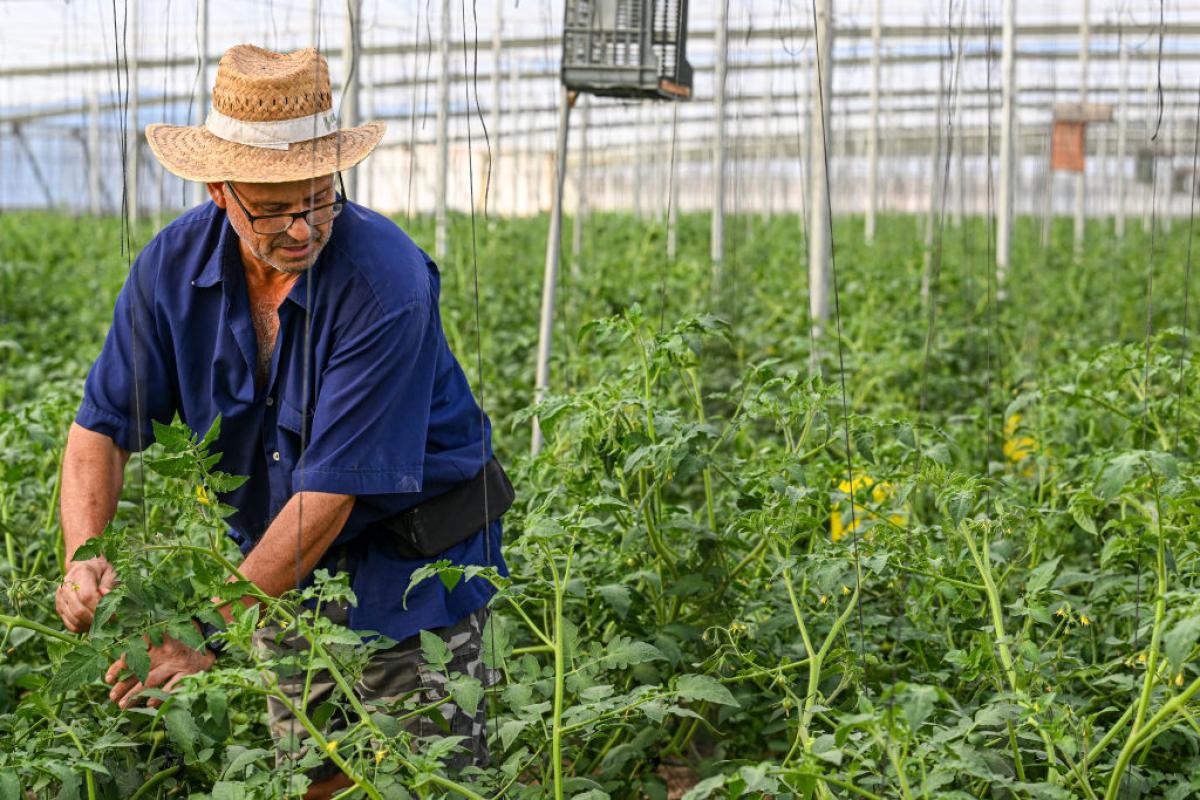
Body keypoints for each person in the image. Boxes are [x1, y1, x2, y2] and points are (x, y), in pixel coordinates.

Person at [52, 44, 509, 798]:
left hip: (414, 571)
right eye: (273, 208)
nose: (302, 228)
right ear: (218, 190)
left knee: (422, 779)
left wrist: (205, 632)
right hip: (281, 572)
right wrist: (84, 557)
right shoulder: (170, 269)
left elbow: (329, 496)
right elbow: (99, 429)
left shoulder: (383, 282)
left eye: (320, 198)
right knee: (312, 777)